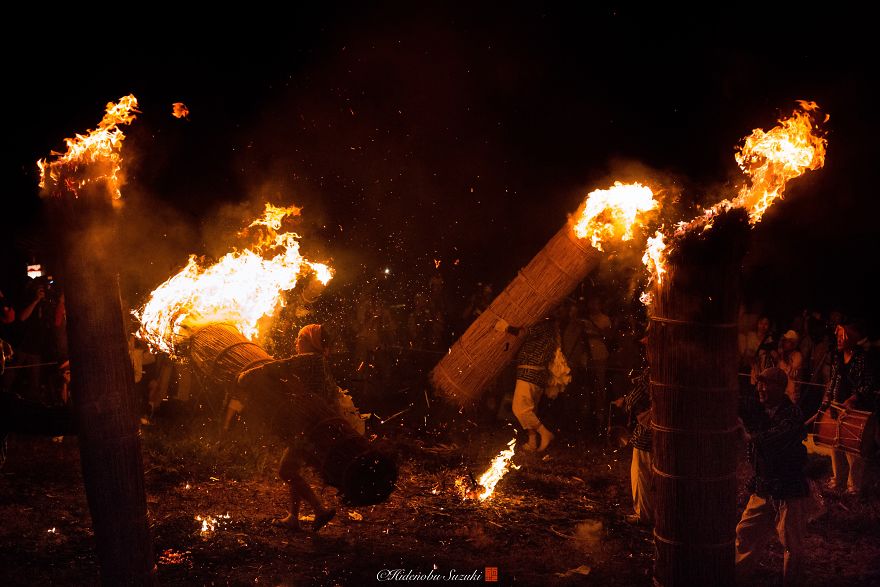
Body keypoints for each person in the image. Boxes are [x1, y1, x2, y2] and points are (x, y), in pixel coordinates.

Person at [271, 324, 363, 532]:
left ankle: (320, 510)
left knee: (286, 470)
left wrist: (251, 373)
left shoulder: (309, 359)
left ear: (309, 342)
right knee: (293, 469)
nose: (296, 342)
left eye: (300, 338)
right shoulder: (319, 362)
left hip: (310, 427)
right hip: (314, 425)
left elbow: (274, 367)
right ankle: (293, 517)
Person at [735, 367, 809, 586]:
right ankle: (736, 577)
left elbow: (774, 438)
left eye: (767, 384)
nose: (761, 389)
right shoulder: (759, 409)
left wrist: (748, 437)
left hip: (788, 489)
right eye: (759, 384)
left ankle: (791, 582)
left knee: (791, 544)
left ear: (780, 388)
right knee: (745, 532)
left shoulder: (791, 414)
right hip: (764, 486)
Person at [819, 323, 874, 495]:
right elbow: (833, 380)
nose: (839, 339)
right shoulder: (837, 356)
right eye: (838, 336)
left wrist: (853, 398)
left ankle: (854, 486)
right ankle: (838, 480)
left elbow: (868, 385)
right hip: (837, 406)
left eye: (842, 336)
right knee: (836, 444)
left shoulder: (861, 358)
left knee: (852, 449)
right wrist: (827, 399)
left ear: (850, 338)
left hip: (854, 410)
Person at [503, 315, 558, 452]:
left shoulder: (543, 326)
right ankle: (532, 442)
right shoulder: (552, 331)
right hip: (536, 375)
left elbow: (523, 333)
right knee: (530, 410)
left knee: (520, 408)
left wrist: (506, 327)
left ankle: (544, 433)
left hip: (530, 373)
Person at [613, 360, 652, 526]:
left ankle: (644, 515)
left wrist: (626, 401)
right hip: (673, 434)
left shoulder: (655, 370)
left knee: (642, 475)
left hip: (649, 435)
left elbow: (635, 399)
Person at [778, 330, 803, 406]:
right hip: (781, 391)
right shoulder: (782, 355)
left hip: (791, 394)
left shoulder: (797, 356)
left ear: (793, 344)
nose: (784, 343)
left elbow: (791, 373)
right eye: (784, 341)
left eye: (787, 341)